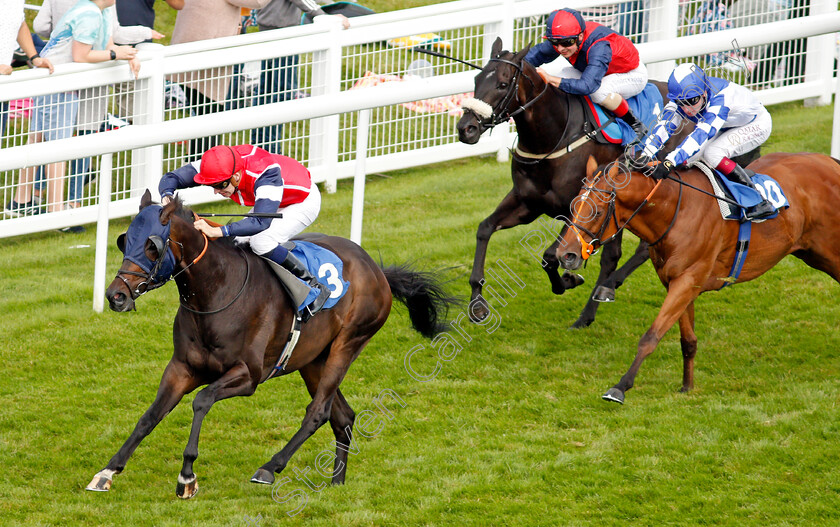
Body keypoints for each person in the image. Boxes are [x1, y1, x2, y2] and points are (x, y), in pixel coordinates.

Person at [158, 144, 330, 316]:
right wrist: (167, 197)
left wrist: (218, 231)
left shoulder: (265, 173)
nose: (216, 192)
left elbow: (260, 223)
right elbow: (171, 177)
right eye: (212, 186)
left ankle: (314, 287)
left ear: (237, 175)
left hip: (301, 202)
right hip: (270, 199)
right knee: (238, 244)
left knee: (261, 242)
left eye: (220, 185)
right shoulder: (220, 162)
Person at [8, 0, 139, 216]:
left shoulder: (101, 11)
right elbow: (82, 55)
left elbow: (107, 47)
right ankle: (57, 212)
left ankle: (21, 202)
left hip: (60, 82)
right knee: (57, 146)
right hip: (57, 83)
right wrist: (117, 55)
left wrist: (130, 57)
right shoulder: (89, 13)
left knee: (39, 139)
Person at [640, 62, 776, 221]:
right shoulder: (684, 97)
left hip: (756, 124)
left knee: (713, 153)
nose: (686, 109)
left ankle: (759, 200)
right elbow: (664, 126)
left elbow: (700, 135)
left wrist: (669, 161)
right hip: (727, 125)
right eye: (680, 102)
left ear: (704, 93)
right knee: (688, 159)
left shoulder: (720, 100)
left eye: (692, 101)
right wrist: (646, 153)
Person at [168, 0, 271, 161]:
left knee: (205, 118)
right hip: (206, 53)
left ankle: (197, 170)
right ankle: (202, 173)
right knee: (210, 120)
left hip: (196, 49)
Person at [524, 7, 648, 138]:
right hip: (599, 70)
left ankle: (634, 124)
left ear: (580, 36)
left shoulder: (599, 47)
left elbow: (588, 86)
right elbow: (531, 58)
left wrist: (550, 78)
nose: (560, 48)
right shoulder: (564, 38)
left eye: (566, 43)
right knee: (563, 76)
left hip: (631, 73)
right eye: (555, 42)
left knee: (598, 93)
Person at [251, 0, 350, 153]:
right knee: (279, 94)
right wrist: (322, 15)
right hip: (282, 31)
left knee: (267, 92)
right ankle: (270, 152)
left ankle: (260, 149)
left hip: (270, 27)